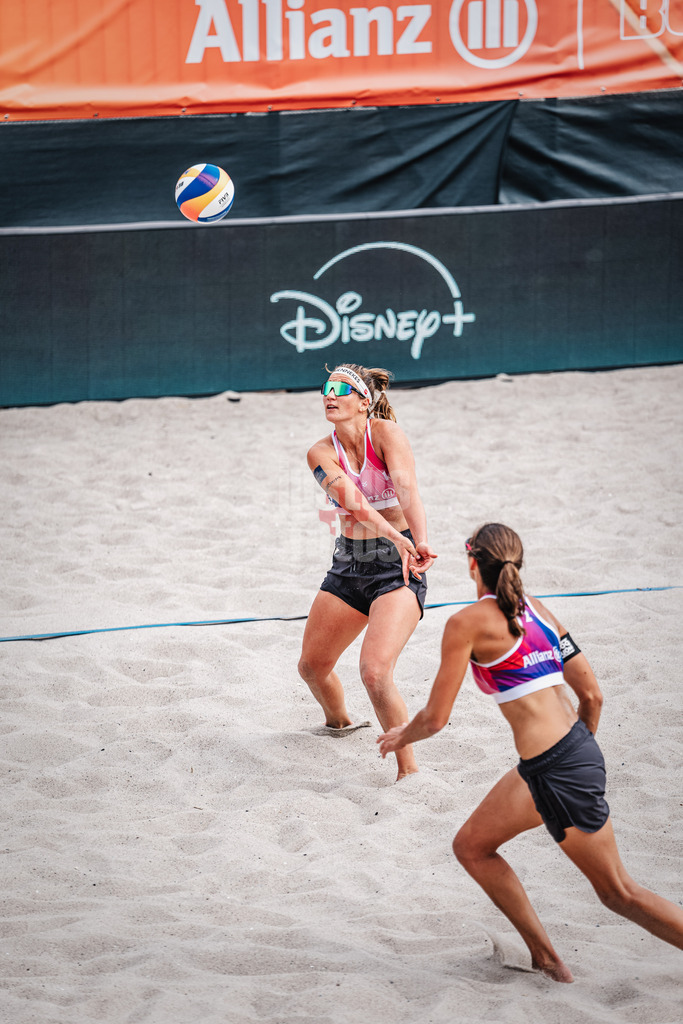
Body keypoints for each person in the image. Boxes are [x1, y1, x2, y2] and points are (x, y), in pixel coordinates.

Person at [377, 522, 683, 979]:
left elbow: (436, 719)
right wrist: (577, 752)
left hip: (558, 768)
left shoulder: (467, 623)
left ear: (472, 562)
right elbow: (593, 697)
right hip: (566, 754)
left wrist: (402, 736)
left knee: (620, 893)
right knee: (472, 846)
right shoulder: (537, 610)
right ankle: (546, 958)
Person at [298, 364, 437, 781]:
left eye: (341, 389)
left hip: (397, 566)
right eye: (325, 388)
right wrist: (397, 536)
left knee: (374, 673)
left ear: (364, 401)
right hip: (349, 565)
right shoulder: (320, 452)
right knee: (311, 667)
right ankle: (340, 723)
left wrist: (419, 541)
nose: (329, 394)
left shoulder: (387, 435)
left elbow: (408, 490)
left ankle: (408, 771)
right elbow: (355, 504)